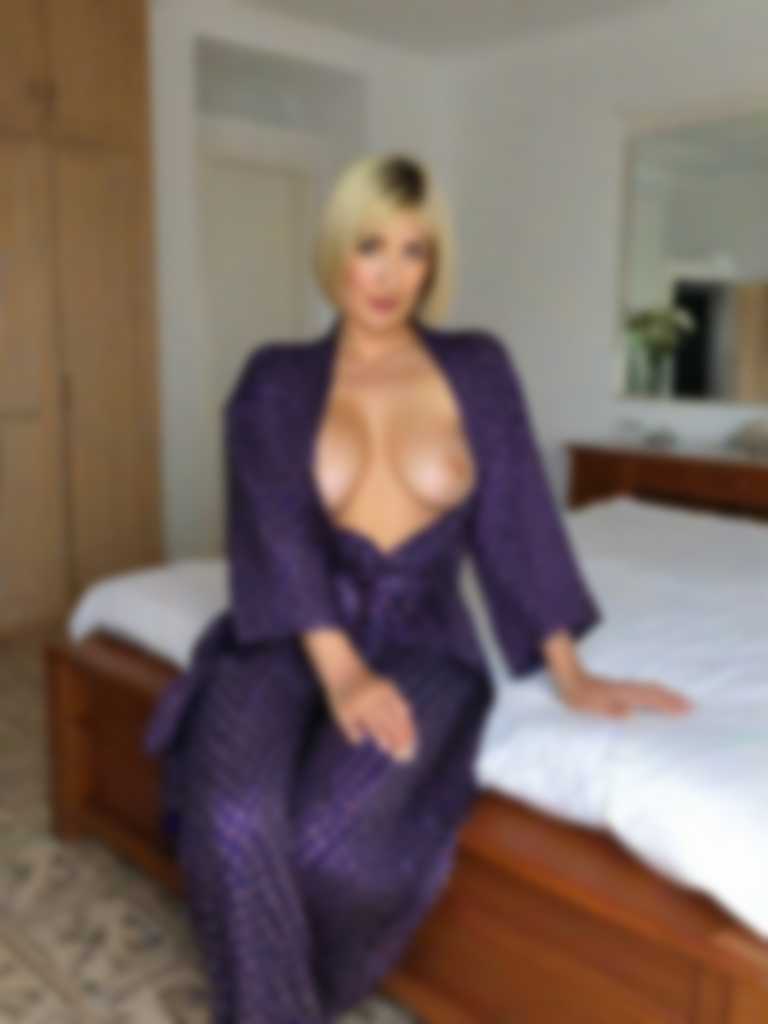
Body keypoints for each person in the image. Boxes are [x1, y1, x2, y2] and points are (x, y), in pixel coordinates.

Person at [143, 152, 693, 1023]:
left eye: (415, 251)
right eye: (371, 246)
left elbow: (519, 520)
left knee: (329, 845)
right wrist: (343, 675)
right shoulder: (274, 379)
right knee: (236, 815)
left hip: (423, 641)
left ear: (434, 263)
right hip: (284, 637)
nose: (390, 275)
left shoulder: (476, 367)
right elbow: (275, 535)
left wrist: (572, 673)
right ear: (336, 248)